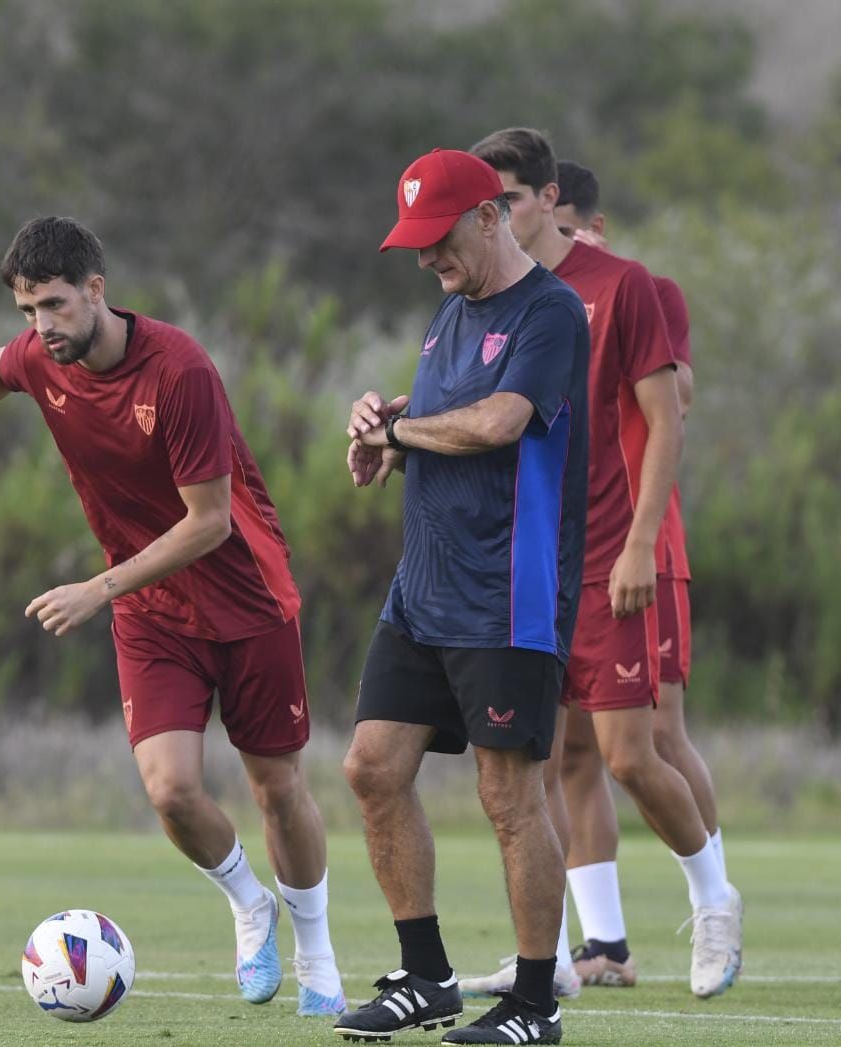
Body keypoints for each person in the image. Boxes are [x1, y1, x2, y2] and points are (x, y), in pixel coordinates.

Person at [0, 216, 345, 1017]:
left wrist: (97, 587)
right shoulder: (42, 355)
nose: (42, 326)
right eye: (28, 310)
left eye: (57, 305)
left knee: (276, 787)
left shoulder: (180, 373)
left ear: (97, 291)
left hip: (246, 599)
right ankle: (250, 902)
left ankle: (318, 951)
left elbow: (210, 522)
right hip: (152, 610)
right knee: (171, 790)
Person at [456, 128, 740, 1002]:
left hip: (605, 557)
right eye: (483, 204)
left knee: (629, 753)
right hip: (517, 566)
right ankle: (555, 957)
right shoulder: (485, 293)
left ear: (547, 199)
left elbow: (666, 418)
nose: (491, 217)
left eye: (505, 199)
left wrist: (640, 542)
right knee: (521, 768)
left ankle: (713, 898)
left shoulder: (622, 287)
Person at [333, 147, 588, 1046]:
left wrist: (407, 427)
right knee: (371, 767)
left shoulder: (551, 311)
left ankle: (533, 1002)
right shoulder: (450, 313)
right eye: (415, 245)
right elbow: (448, 416)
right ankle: (427, 975)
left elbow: (502, 420)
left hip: (507, 595)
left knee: (508, 797)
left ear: (489, 216)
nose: (426, 259)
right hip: (423, 591)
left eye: (438, 239)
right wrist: (386, 436)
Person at [550, 158, 724, 989]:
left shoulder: (641, 290)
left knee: (654, 738)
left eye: (577, 229)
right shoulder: (519, 299)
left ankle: (713, 901)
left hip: (648, 545)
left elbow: (677, 399)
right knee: (569, 752)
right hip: (564, 559)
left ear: (594, 225)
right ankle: (604, 944)